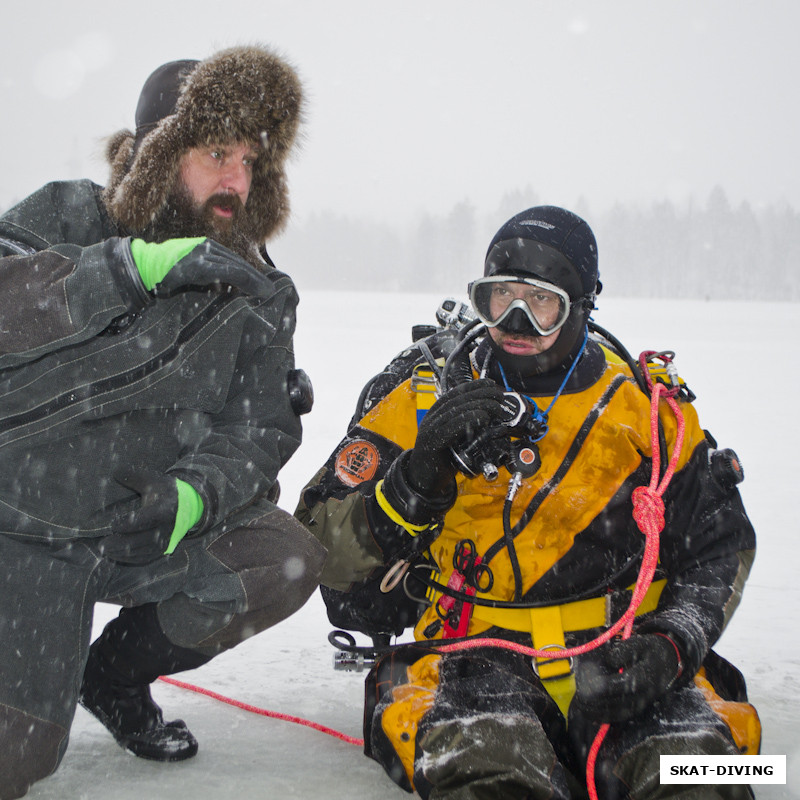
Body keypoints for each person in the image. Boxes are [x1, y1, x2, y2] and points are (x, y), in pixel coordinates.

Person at [296, 206, 761, 799]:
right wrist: (414, 481)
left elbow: (721, 543)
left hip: (627, 654)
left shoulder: (644, 411)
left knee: (715, 778)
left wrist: (673, 644)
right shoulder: (422, 398)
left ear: (582, 305)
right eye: (499, 296)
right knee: (488, 782)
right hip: (468, 660)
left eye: (540, 301)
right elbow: (315, 550)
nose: (514, 319)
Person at [0, 45, 326, 799]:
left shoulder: (257, 291)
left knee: (284, 554)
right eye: (217, 153)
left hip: (131, 528)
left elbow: (260, 430)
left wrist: (193, 496)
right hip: (22, 526)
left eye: (250, 160)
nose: (236, 180)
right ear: (160, 149)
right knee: (18, 762)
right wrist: (122, 272)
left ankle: (111, 677)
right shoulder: (70, 213)